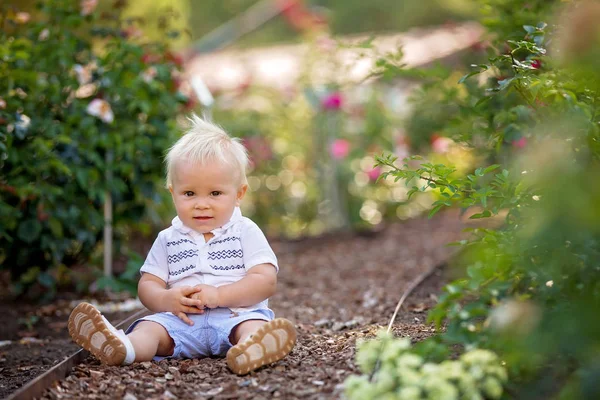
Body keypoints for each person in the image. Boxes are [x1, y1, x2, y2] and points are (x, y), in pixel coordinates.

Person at [68, 115, 296, 375]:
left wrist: (221, 295)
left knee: (253, 326)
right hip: (182, 323)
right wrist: (166, 298)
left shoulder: (245, 231)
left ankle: (250, 349)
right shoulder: (168, 238)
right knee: (151, 329)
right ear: (172, 192)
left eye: (215, 193)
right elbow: (148, 285)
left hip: (236, 317)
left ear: (239, 194)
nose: (201, 203)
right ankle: (124, 347)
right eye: (189, 193)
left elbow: (265, 280)